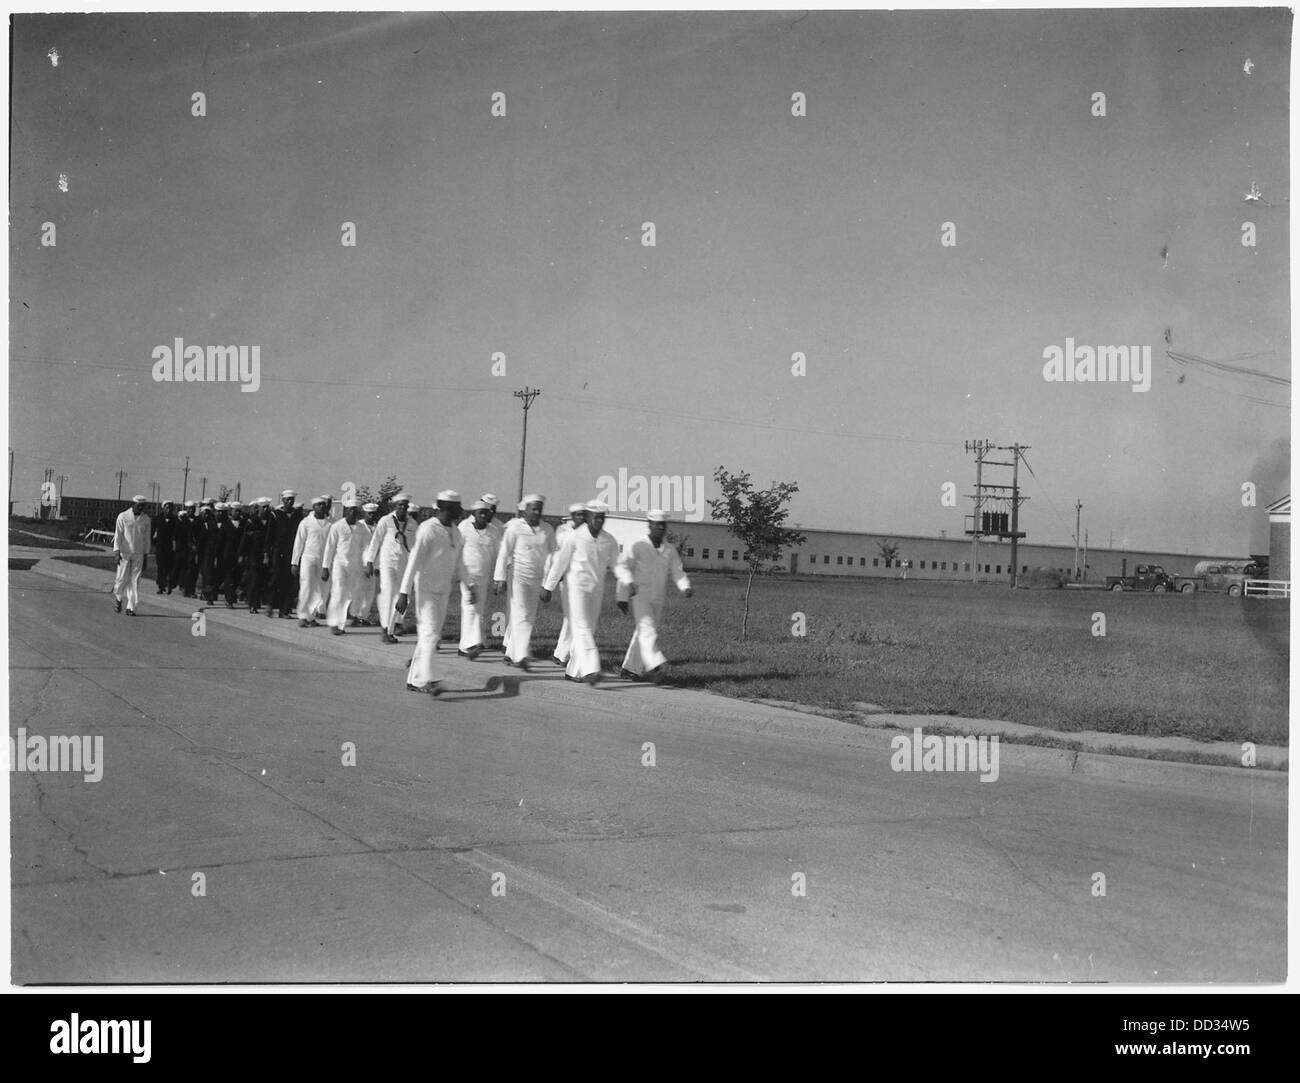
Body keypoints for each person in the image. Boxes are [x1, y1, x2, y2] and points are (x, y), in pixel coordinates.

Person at [395, 491, 473, 696]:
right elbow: (413, 562)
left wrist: (470, 585)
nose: (460, 510)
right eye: (456, 507)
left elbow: (460, 564)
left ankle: (414, 679)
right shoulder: (428, 529)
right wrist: (404, 592)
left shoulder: (456, 533)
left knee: (429, 636)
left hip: (443, 591)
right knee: (429, 634)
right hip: (426, 590)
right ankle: (429, 679)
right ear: (446, 508)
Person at [541, 500, 619, 685]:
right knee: (583, 628)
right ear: (589, 516)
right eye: (596, 517)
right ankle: (591, 669)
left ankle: (574, 671)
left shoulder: (608, 539)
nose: (599, 521)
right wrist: (548, 586)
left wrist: (627, 584)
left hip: (595, 590)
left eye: (602, 517)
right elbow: (560, 562)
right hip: (575, 588)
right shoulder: (574, 536)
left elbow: (618, 565)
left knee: (587, 630)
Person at [615, 509, 694, 682]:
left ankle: (630, 669)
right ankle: (655, 664)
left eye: (662, 525)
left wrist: (685, 587)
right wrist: (622, 596)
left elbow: (677, 572)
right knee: (647, 630)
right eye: (656, 524)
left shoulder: (669, 550)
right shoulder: (638, 545)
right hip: (640, 595)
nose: (660, 528)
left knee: (643, 632)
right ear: (649, 525)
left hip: (658, 597)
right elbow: (623, 568)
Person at [492, 493, 555, 671]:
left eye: (539, 509)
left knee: (529, 616)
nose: (536, 512)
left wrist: (548, 582)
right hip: (518, 575)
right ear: (525, 510)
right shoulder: (515, 527)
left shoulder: (547, 530)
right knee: (520, 613)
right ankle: (520, 655)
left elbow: (552, 555)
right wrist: (499, 578)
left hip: (537, 578)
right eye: (533, 509)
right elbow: (504, 552)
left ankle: (511, 653)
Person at [364, 491, 413, 643]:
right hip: (387, 562)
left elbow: (416, 545)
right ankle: (386, 630)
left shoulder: (412, 524)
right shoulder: (386, 520)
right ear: (395, 506)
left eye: (405, 506)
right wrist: (370, 561)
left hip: (404, 563)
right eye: (400, 506)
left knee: (400, 597)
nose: (403, 509)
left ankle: (391, 627)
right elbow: (375, 541)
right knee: (389, 593)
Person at [457, 500, 500, 658]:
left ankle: (464, 645)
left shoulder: (493, 531)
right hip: (467, 574)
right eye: (479, 513)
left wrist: (499, 576)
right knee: (470, 607)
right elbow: (457, 550)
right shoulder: (464, 527)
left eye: (486, 513)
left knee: (478, 608)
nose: (483, 515)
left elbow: (498, 554)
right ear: (474, 514)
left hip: (484, 575)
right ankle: (473, 644)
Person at [321, 497, 368, 635]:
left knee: (350, 594)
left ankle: (342, 624)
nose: (353, 512)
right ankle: (335, 623)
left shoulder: (362, 528)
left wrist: (367, 564)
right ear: (346, 510)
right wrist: (325, 567)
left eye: (355, 510)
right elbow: (329, 548)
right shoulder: (337, 527)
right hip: (340, 564)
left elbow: (366, 547)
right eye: (350, 510)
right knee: (338, 592)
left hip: (355, 565)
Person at [550, 502, 588, 666]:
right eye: (578, 514)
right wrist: (554, 578)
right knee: (572, 617)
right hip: (566, 579)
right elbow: (558, 556)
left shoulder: (587, 533)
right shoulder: (564, 532)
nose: (581, 517)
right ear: (572, 516)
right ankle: (564, 654)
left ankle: (562, 653)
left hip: (584, 581)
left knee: (575, 618)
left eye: (584, 514)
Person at [292, 496, 332, 626]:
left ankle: (311, 616)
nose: (321, 507)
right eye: (318, 505)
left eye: (323, 505)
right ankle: (303, 616)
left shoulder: (331, 523)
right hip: (308, 558)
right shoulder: (306, 522)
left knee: (322, 589)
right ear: (313, 507)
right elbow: (299, 543)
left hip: (324, 561)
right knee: (306, 586)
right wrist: (295, 562)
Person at [112, 495, 152, 615]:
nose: (141, 508)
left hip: (139, 553)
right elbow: (118, 535)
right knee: (121, 579)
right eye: (139, 506)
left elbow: (147, 539)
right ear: (133, 504)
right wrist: (116, 552)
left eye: (143, 506)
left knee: (135, 581)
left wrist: (145, 556)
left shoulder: (146, 519)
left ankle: (131, 607)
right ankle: (118, 599)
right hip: (124, 553)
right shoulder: (123, 516)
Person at [266, 490, 303, 618]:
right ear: (283, 501)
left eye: (292, 500)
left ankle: (284, 610)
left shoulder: (297, 516)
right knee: (275, 578)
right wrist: (266, 553)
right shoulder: (276, 515)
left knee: (289, 580)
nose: (290, 502)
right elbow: (269, 536)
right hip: (278, 551)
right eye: (287, 499)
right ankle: (270, 605)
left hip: (292, 552)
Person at [240, 498, 272, 614]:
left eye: (267, 507)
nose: (265, 509)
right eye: (263, 507)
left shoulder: (270, 521)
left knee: (263, 580)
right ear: (258, 508)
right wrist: (242, 554)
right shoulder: (252, 521)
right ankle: (252, 603)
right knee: (254, 579)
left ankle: (258, 601)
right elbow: (245, 539)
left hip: (267, 554)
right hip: (254, 554)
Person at [352, 502, 380, 625]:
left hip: (373, 563)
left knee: (370, 591)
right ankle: (354, 615)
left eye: (374, 513)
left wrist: (377, 566)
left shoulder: (378, 527)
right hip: (360, 563)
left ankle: (363, 616)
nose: (372, 516)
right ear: (364, 513)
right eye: (369, 513)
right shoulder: (358, 526)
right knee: (358, 590)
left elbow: (380, 547)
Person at [151, 501, 178, 594]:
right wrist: (152, 543)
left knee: (169, 567)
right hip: (160, 547)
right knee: (160, 567)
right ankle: (161, 586)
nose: (169, 510)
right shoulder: (157, 519)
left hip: (170, 547)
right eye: (167, 508)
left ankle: (169, 584)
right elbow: (151, 531)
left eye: (170, 508)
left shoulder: (175, 520)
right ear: (163, 508)